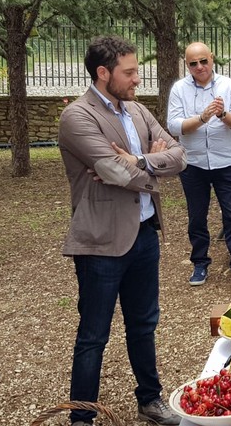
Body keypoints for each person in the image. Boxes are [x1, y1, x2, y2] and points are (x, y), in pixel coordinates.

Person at [58, 36, 186, 426]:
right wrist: (151, 167)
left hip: (145, 235)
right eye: (129, 72)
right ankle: (81, 418)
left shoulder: (137, 110)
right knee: (93, 335)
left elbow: (180, 155)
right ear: (103, 73)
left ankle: (149, 399)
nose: (137, 78)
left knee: (144, 324)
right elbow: (113, 170)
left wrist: (141, 160)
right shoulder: (77, 117)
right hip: (100, 244)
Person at [168, 42, 231, 286]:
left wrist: (222, 114)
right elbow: (173, 126)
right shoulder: (179, 89)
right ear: (187, 64)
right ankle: (200, 263)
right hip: (193, 163)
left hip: (224, 162)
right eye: (193, 63)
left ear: (212, 58)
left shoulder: (228, 85)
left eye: (204, 61)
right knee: (197, 216)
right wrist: (203, 117)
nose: (200, 67)